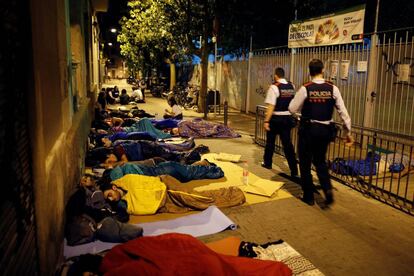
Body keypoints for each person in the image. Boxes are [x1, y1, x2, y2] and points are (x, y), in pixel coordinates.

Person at [289, 59, 354, 206]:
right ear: (323, 70)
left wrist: (301, 113)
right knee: (320, 161)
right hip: (325, 131)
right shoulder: (333, 88)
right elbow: (343, 112)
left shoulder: (306, 88)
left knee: (305, 163)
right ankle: (327, 190)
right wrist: (348, 132)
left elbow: (292, 109)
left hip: (308, 130)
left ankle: (308, 197)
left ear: (309, 71)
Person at [262, 67, 298, 177]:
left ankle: (267, 163)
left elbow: (271, 106)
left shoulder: (274, 87)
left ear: (276, 75)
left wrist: (266, 121)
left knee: (270, 143)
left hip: (276, 119)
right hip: (287, 119)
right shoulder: (292, 86)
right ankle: (294, 170)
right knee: (288, 145)